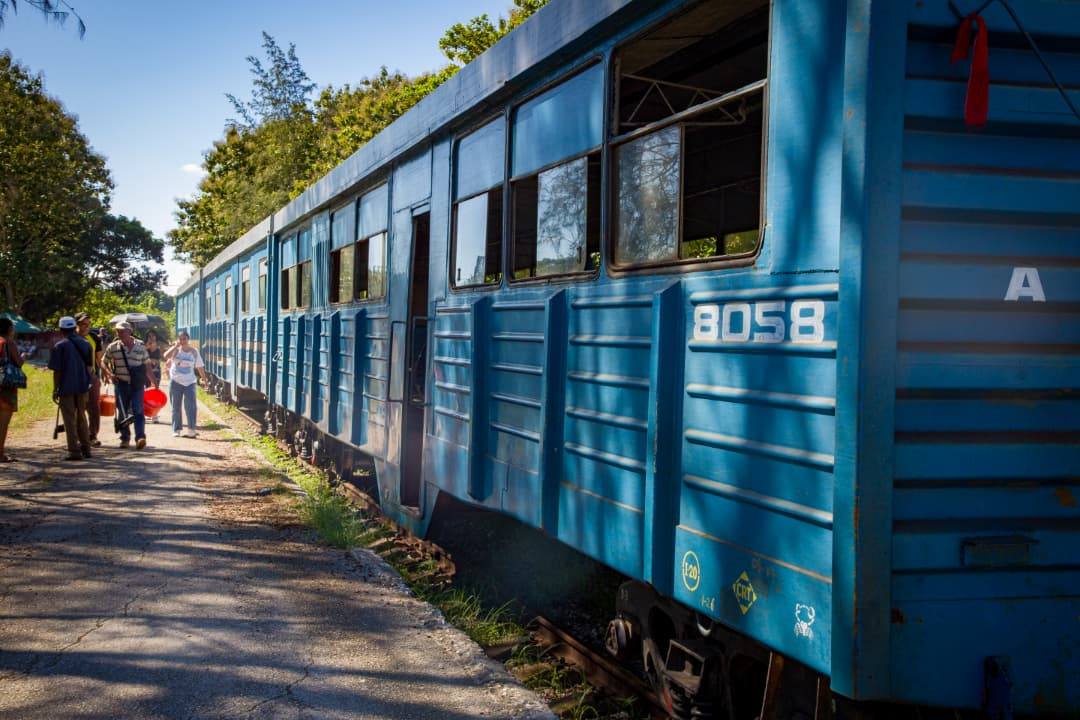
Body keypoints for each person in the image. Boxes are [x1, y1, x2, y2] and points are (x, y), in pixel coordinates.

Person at [48, 316, 93, 461]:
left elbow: (57, 371)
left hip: (67, 386)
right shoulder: (86, 344)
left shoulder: (60, 346)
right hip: (83, 386)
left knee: (69, 419)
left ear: (61, 330)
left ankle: (74, 451)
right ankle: (86, 448)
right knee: (81, 417)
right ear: (74, 328)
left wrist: (55, 389)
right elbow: (90, 367)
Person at [104, 321, 150, 449]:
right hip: (121, 384)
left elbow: (147, 364)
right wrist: (109, 374)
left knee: (138, 410)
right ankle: (125, 438)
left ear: (130, 332)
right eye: (118, 331)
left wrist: (152, 381)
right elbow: (103, 362)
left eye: (122, 331)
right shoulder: (113, 347)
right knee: (123, 412)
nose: (120, 333)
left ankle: (140, 437)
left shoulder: (140, 347)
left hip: (137, 385)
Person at [163, 331, 207, 438]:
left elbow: (199, 366)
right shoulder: (175, 350)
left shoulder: (194, 351)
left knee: (191, 407)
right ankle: (176, 429)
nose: (182, 341)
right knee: (176, 406)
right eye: (180, 339)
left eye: (184, 339)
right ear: (178, 340)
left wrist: (204, 379)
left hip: (190, 382)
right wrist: (175, 347)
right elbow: (165, 356)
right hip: (176, 382)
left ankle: (191, 429)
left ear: (188, 339)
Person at [75, 313, 105, 447]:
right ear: (76, 324)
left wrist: (105, 373)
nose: (86, 327)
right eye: (83, 324)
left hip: (92, 377)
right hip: (75, 377)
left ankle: (92, 435)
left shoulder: (94, 337)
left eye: (88, 324)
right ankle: (80, 436)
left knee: (94, 408)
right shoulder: (72, 338)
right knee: (78, 408)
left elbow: (99, 359)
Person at [0, 317, 25, 463]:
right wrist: (23, 357)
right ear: (9, 330)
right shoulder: (8, 343)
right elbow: (19, 362)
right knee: (3, 422)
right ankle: (0, 454)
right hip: (6, 387)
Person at [144, 330, 163, 422]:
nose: (151, 338)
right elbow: (143, 357)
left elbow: (160, 359)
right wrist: (148, 345)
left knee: (155, 392)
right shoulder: (144, 346)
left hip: (156, 372)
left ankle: (155, 414)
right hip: (147, 372)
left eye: (153, 336)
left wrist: (154, 360)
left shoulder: (159, 346)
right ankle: (148, 413)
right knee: (147, 392)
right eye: (149, 336)